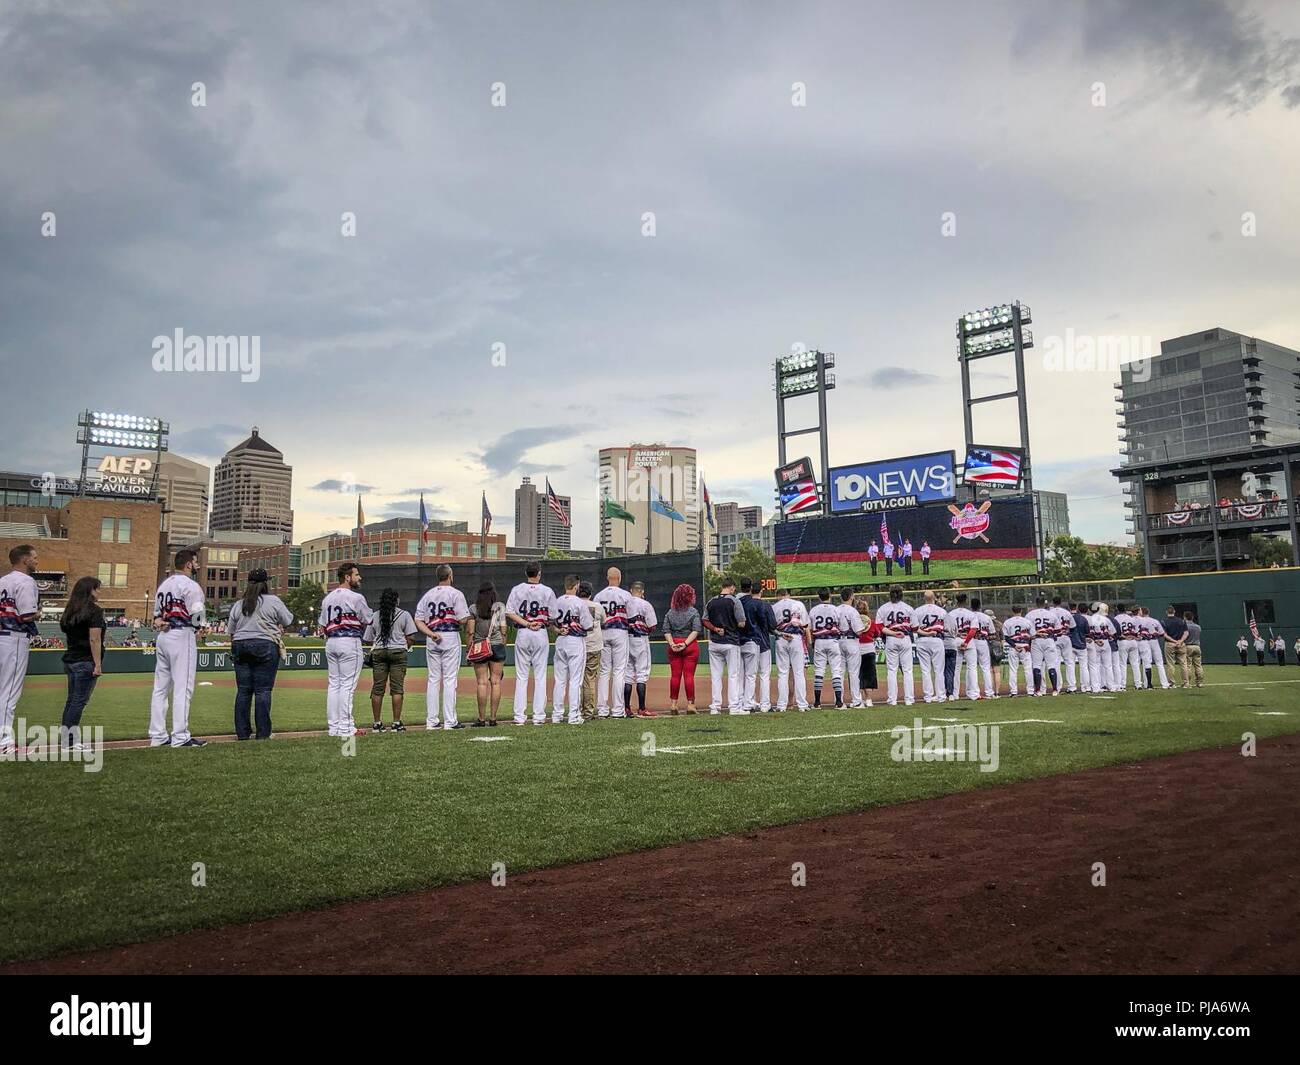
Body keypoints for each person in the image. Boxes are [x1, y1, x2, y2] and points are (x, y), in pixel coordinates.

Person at [151, 549, 209, 747]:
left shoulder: (164, 585)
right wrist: (200, 627)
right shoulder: (191, 585)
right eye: (195, 562)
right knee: (183, 688)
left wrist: (160, 621)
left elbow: (156, 616)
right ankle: (180, 736)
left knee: (160, 688)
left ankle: (158, 735)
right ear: (188, 564)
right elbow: (197, 614)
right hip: (182, 635)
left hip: (163, 636)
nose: (197, 565)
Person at [227, 567, 293, 740]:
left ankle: (242, 733)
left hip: (240, 644)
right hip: (265, 644)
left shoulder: (239, 604)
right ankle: (263, 733)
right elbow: (288, 620)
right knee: (263, 690)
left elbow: (231, 631)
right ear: (265, 584)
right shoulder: (273, 601)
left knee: (243, 691)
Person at [319, 562, 373, 738]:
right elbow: (368, 619)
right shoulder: (356, 597)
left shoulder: (327, 598)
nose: (359, 577)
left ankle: (334, 727)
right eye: (356, 575)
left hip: (331, 642)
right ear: (347, 577)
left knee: (334, 685)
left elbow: (323, 625)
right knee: (347, 686)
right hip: (349, 641)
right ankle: (346, 727)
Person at [414, 563, 470, 730]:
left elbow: (418, 620)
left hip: (432, 637)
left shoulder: (428, 595)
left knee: (433, 679)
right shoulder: (455, 593)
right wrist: (468, 617)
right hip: (450, 636)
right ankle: (450, 721)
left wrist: (430, 634)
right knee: (450, 680)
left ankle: (432, 721)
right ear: (450, 575)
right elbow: (462, 619)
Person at [0, 544, 40, 754]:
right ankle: (4, 742)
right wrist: (38, 613)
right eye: (34, 557)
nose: (36, 561)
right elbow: (26, 615)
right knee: (9, 693)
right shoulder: (25, 581)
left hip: (2, 636)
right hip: (13, 639)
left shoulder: (3, 581)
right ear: (25, 559)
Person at [506, 563, 556, 726]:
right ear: (539, 573)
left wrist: (527, 623)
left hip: (523, 632)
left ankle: (519, 717)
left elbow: (509, 612)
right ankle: (538, 716)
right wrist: (539, 621)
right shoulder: (547, 591)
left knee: (521, 676)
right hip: (540, 632)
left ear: (526, 573)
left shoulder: (517, 589)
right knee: (540, 676)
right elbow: (553, 616)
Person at [58, 575, 104, 750]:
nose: (99, 592)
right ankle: (70, 741)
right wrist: (97, 664)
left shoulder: (70, 610)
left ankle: (66, 740)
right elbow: (94, 639)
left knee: (71, 701)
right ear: (90, 590)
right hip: (85, 661)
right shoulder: (94, 611)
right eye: (97, 589)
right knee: (78, 702)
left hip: (70, 659)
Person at [364, 588, 417, 732]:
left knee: (377, 689)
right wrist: (404, 647)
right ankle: (396, 723)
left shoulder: (375, 615)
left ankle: (377, 723)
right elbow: (411, 637)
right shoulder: (404, 614)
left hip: (379, 652)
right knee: (397, 689)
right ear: (396, 600)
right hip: (398, 651)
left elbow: (368, 638)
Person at [550, 574, 592, 725]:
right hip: (575, 641)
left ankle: (557, 715)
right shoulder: (579, 602)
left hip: (561, 640)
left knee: (560, 680)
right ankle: (573, 715)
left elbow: (551, 623)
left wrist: (558, 629)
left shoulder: (557, 601)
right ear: (576, 586)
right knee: (575, 680)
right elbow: (588, 625)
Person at [703, 578, 748, 714]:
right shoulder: (734, 601)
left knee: (716, 676)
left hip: (714, 642)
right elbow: (742, 623)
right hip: (730, 642)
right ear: (732, 587)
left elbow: (704, 620)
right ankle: (734, 707)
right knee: (733, 675)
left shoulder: (711, 601)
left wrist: (715, 628)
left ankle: (715, 707)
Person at [465, 582, 506, 726]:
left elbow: (470, 631)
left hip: (479, 646)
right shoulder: (500, 607)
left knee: (482, 683)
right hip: (497, 645)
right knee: (496, 682)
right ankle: (493, 719)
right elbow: (503, 630)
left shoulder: (473, 608)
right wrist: (503, 645)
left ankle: (481, 719)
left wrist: (468, 650)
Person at [595, 567, 633, 719]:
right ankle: (617, 709)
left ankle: (602, 709)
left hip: (603, 632)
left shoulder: (598, 596)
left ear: (607, 577)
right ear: (620, 578)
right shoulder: (625, 595)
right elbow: (631, 616)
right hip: (620, 632)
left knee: (604, 671)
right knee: (619, 671)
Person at [663, 583, 701, 715]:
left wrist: (672, 643)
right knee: (689, 676)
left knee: (675, 676)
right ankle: (690, 705)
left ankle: (673, 704)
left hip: (674, 644)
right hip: (689, 645)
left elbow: (666, 630)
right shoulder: (693, 612)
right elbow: (696, 630)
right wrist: (685, 644)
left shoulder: (670, 612)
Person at [875, 586, 916, 707]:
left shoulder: (883, 608)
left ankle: (892, 700)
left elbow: (879, 627)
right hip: (904, 638)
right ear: (901, 594)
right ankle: (909, 699)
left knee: (892, 670)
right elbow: (915, 627)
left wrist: (893, 633)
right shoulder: (908, 608)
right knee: (907, 670)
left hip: (891, 638)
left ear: (890, 595)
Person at [772, 588, 811, 711]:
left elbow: (772, 626)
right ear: (787, 594)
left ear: (778, 595)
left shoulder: (775, 606)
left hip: (781, 638)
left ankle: (781, 705)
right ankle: (802, 705)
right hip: (796, 638)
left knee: (782, 673)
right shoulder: (798, 604)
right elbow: (805, 625)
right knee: (799, 672)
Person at [741, 582, 777, 712]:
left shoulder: (744, 604)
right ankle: (765, 705)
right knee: (764, 675)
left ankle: (748, 703)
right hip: (763, 643)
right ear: (761, 591)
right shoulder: (765, 605)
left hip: (746, 641)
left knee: (748, 675)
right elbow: (773, 625)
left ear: (751, 590)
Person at [625, 580, 658, 717]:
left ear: (631, 590)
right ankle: (642, 708)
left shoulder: (625, 603)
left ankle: (626, 708)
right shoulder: (646, 604)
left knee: (627, 675)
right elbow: (652, 626)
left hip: (626, 639)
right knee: (641, 674)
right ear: (642, 591)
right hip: (641, 639)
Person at [809, 588, 844, 709]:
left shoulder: (813, 610)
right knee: (836, 671)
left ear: (819, 597)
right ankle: (838, 702)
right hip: (833, 641)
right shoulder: (836, 609)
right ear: (830, 595)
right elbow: (842, 627)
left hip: (819, 641)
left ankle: (817, 702)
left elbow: (809, 628)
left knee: (819, 671)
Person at [577, 582, 607, 720]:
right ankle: (588, 712)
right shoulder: (597, 606)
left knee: (576, 679)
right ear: (590, 593)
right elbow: (604, 622)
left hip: (578, 644)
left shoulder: (574, 604)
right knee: (590, 678)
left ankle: (576, 710)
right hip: (594, 645)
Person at [912, 590, 947, 704]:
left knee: (925, 670)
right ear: (934, 598)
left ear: (924, 598)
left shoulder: (917, 610)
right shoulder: (941, 611)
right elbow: (947, 628)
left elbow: (914, 628)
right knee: (939, 670)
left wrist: (926, 633)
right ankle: (941, 696)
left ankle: (928, 696)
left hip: (922, 640)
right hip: (937, 639)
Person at [1025, 597, 1062, 697]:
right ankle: (1055, 690)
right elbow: (1059, 631)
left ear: (1036, 603)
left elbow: (1026, 630)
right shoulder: (1051, 614)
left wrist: (1036, 634)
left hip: (1036, 640)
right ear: (1045, 604)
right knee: (1051, 665)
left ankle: (1038, 690)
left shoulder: (1030, 614)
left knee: (1037, 666)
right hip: (1049, 640)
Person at [837, 588, 867, 708]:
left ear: (841, 597)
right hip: (851, 642)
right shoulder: (853, 611)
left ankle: (838, 701)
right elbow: (858, 631)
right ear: (851, 597)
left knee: (839, 673)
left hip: (838, 642)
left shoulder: (836, 610)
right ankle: (856, 701)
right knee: (853, 673)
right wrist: (864, 627)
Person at [1113, 604, 1145, 690]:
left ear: (1117, 609)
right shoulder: (1131, 618)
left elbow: (1116, 633)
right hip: (1133, 642)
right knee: (1135, 664)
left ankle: (1122, 685)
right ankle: (1138, 684)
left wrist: (1125, 637)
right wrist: (1134, 637)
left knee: (1122, 664)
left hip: (1123, 642)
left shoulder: (1116, 619)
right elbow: (1137, 631)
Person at [1087, 604, 1118, 693]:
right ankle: (1111, 686)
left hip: (1095, 643)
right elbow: (1112, 632)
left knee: (1096, 665)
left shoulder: (1090, 619)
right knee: (1108, 666)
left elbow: (1089, 633)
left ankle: (1097, 687)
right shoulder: (1105, 619)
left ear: (1090, 610)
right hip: (1105, 642)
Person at [1002, 605, 1032, 697]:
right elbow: (1032, 636)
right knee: (1028, 669)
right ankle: (1030, 691)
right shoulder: (1027, 621)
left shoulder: (1007, 622)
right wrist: (1028, 645)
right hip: (1025, 646)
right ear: (1021, 611)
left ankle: (1013, 692)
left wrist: (1014, 646)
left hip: (1013, 647)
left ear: (1013, 611)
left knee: (1013, 670)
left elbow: (1006, 637)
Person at [1050, 596, 1078, 693]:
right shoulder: (1067, 612)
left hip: (1054, 638)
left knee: (1056, 663)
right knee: (1069, 662)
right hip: (1065, 637)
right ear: (1061, 602)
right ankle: (1072, 687)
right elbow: (1073, 627)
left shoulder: (1050, 612)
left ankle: (1058, 687)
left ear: (1053, 602)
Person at [942, 592, 966, 698]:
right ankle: (951, 694)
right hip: (952, 644)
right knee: (951, 671)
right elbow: (956, 632)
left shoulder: (941, 618)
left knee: (941, 670)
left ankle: (943, 693)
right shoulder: (952, 619)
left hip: (943, 644)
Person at [1161, 605, 1189, 689]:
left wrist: (1174, 641)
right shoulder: (1182, 621)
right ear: (1174, 611)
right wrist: (1180, 641)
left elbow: (1164, 634)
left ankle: (1172, 684)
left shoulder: (1164, 621)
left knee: (1170, 664)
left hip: (1170, 644)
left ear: (1166, 612)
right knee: (1183, 664)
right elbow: (1186, 633)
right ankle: (1186, 683)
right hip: (1181, 644)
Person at [857, 607, 880, 706]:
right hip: (869, 650)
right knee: (869, 675)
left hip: (857, 649)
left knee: (857, 675)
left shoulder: (855, 621)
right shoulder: (872, 623)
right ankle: (868, 699)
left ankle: (859, 699)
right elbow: (877, 634)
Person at [1182, 611, 1203, 688]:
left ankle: (1187, 683)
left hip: (1188, 646)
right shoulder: (1198, 627)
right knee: (1198, 665)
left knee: (1188, 665)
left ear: (1185, 617)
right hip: (1197, 646)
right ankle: (1199, 682)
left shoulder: (1184, 626)